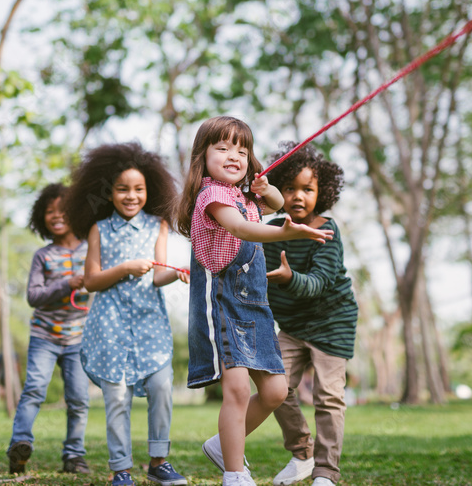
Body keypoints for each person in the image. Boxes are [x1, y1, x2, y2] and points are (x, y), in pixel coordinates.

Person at [176, 116, 333, 486]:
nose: (234, 155)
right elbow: (240, 228)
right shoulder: (213, 195)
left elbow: (276, 201)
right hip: (224, 300)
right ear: (204, 155)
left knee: (277, 391)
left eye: (242, 150)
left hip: (255, 307)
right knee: (236, 389)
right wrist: (283, 230)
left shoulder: (244, 197)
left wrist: (265, 188)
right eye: (224, 148)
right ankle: (234, 473)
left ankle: (221, 444)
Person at [65, 142, 189, 486]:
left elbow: (157, 274)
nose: (131, 196)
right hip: (109, 327)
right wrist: (124, 268)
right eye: (122, 189)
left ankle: (158, 462)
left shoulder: (158, 225)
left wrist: (176, 271)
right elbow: (91, 280)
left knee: (162, 386)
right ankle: (120, 469)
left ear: (150, 190)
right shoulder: (99, 229)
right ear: (109, 192)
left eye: (138, 189)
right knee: (116, 397)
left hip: (151, 325)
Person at [262, 143, 358, 486]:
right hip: (291, 324)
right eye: (290, 188)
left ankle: (326, 472)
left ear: (323, 192)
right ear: (277, 191)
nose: (298, 196)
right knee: (275, 388)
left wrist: (290, 278)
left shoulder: (326, 233)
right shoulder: (270, 230)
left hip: (331, 321)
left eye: (308, 189)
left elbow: (318, 282)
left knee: (328, 395)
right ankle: (303, 452)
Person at [6, 183, 92, 476]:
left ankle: (74, 456)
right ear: (40, 217)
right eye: (49, 212)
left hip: (79, 338)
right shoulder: (43, 255)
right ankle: (19, 445)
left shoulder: (91, 249)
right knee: (33, 391)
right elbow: (33, 296)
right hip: (44, 336)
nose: (56, 216)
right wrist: (66, 284)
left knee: (79, 399)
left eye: (63, 210)